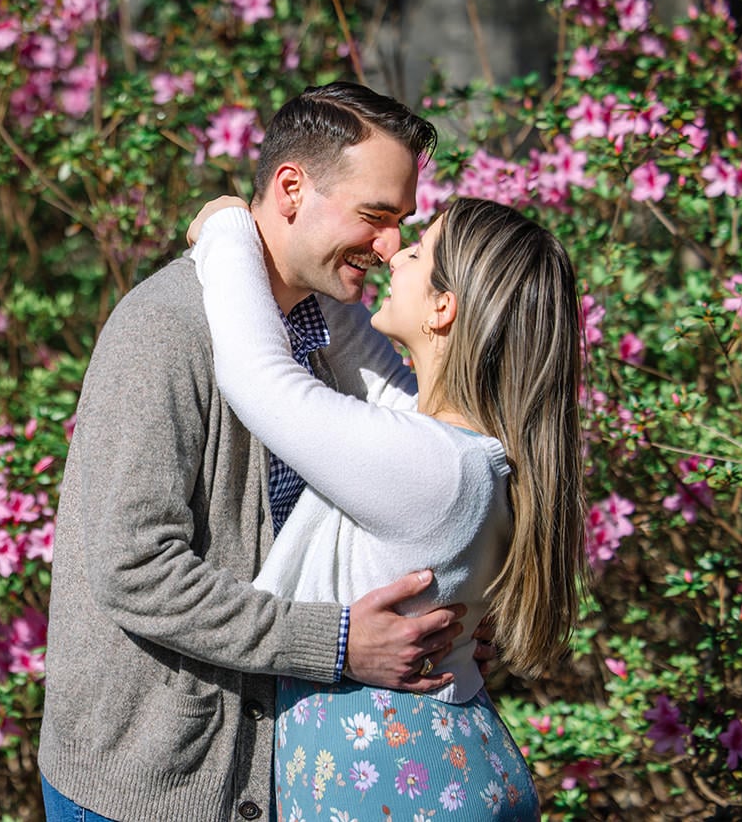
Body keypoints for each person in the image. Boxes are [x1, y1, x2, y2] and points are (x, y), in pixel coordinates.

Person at [39, 83, 493, 822]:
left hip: (271, 774)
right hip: (150, 788)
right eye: (375, 217)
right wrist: (340, 644)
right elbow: (134, 569)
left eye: (401, 224)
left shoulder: (327, 335)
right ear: (291, 189)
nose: (388, 247)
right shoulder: (164, 329)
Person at [188, 195, 587, 819]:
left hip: (401, 783)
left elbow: (257, 377)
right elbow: (359, 361)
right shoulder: (458, 449)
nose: (393, 251)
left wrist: (227, 229)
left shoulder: (433, 466)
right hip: (420, 771)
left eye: (418, 250)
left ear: (443, 306)